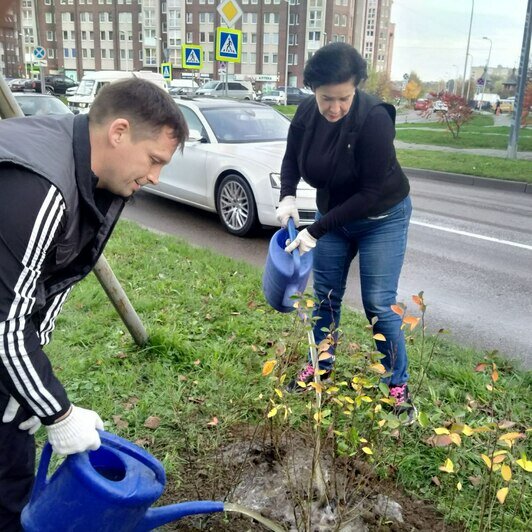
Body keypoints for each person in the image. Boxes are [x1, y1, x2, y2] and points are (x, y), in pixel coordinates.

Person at [0, 78, 188, 530]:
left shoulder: (98, 177)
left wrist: (24, 387)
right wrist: (58, 413)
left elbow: (54, 278)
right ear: (119, 132)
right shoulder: (40, 187)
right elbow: (5, 327)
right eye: (155, 160)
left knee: (12, 472)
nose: (155, 178)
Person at [275, 43, 414, 423]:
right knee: (326, 298)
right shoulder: (306, 113)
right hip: (333, 216)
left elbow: (369, 194)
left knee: (379, 305)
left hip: (381, 218)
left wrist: (315, 230)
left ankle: (398, 386)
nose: (334, 108)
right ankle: (320, 367)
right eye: (326, 98)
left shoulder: (374, 120)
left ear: (356, 88)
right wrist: (287, 196)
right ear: (312, 90)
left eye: (344, 98)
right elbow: (291, 159)